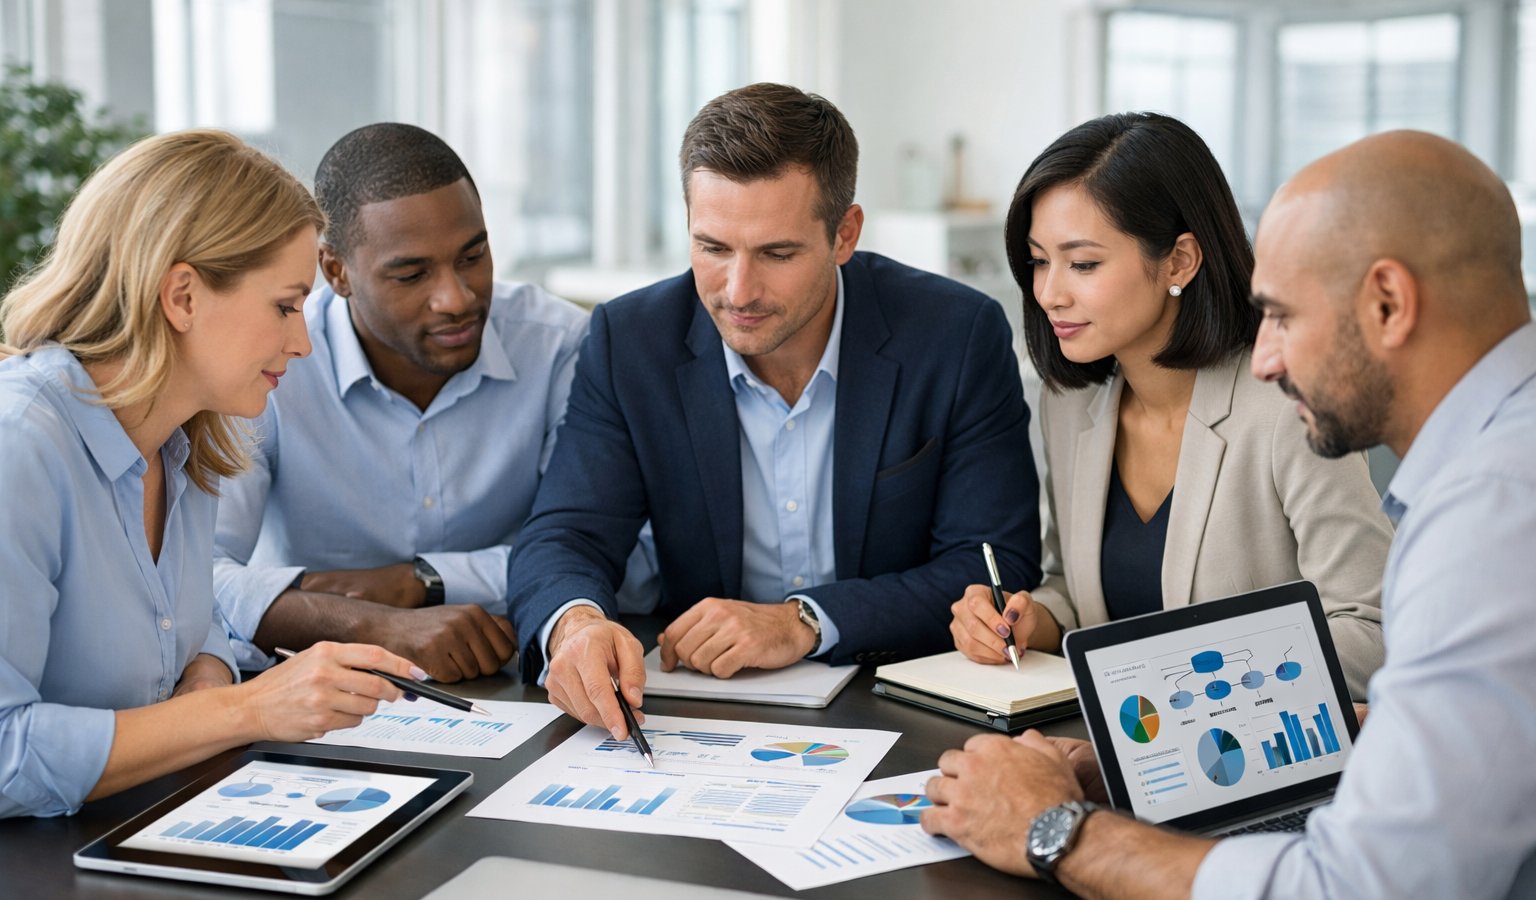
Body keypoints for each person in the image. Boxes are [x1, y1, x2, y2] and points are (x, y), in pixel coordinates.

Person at [922, 130, 1536, 900]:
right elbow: (1452, 727)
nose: (1269, 356)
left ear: (1390, 302)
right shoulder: (1488, 476)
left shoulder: (1491, 517)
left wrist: (1054, 830)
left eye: (1282, 315)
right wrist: (1146, 756)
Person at [508, 83, 1041, 737]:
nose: (738, 291)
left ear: (845, 234)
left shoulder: (955, 336)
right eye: (713, 248)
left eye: (777, 253)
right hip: (699, 708)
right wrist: (576, 623)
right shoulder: (631, 340)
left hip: (909, 706)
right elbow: (566, 534)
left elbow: (991, 564)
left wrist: (804, 620)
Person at [0, 129, 423, 820]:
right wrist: (244, 708)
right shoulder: (19, 447)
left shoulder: (191, 437)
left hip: (146, 831)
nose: (303, 341)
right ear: (184, 297)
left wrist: (210, 681)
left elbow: (196, 636)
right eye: (286, 306)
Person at [947, 112, 1391, 698]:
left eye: (1083, 264)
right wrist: (1030, 621)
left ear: (1180, 260)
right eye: (1038, 260)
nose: (1050, 292)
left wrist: (1176, 687)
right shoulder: (1070, 402)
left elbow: (1371, 633)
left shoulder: (1288, 407)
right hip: (1114, 749)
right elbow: (1076, 594)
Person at [212, 123, 653, 682]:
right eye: (412, 274)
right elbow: (194, 578)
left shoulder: (560, 345)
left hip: (516, 678)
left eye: (473, 256)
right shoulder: (275, 362)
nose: (457, 298)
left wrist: (421, 580)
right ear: (335, 271)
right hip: (311, 685)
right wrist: (368, 623)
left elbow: (625, 556)